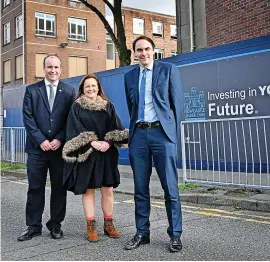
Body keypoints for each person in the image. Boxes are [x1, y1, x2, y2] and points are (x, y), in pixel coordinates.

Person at [124, 36, 184, 252]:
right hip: (139, 135)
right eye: (139, 50)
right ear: (134, 53)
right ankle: (142, 232)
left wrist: (171, 136)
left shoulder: (168, 70)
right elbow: (132, 105)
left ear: (153, 50)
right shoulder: (129, 76)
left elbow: (177, 105)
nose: (143, 53)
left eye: (147, 49)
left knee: (170, 187)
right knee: (140, 188)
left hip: (162, 134)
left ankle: (175, 234)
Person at [62, 74, 128, 242]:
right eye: (87, 87)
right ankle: (90, 225)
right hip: (88, 154)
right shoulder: (76, 107)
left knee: (108, 189)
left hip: (107, 153)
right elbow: (74, 129)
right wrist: (92, 142)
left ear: (98, 87)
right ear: (82, 90)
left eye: (93, 86)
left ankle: (109, 224)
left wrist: (108, 142)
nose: (91, 89)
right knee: (89, 189)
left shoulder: (108, 106)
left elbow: (116, 127)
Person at [18, 54, 76, 241]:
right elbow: (28, 117)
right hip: (37, 149)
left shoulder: (69, 91)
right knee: (35, 188)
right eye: (49, 67)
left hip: (59, 150)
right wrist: (40, 140)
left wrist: (59, 139)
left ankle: (55, 225)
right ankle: (33, 226)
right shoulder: (32, 90)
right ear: (44, 68)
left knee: (59, 188)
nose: (53, 71)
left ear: (61, 69)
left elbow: (71, 119)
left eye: (56, 67)